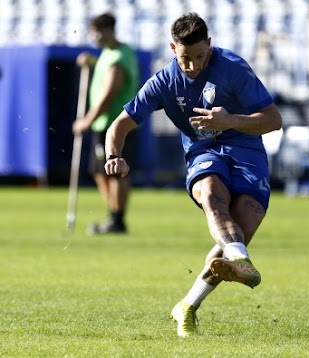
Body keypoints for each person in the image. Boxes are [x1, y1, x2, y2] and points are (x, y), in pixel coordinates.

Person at [103, 13, 282, 338]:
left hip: (247, 156)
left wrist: (230, 120)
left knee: (235, 236)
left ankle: (188, 304)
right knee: (213, 197)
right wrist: (113, 156)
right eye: (185, 58)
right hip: (204, 155)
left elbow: (273, 120)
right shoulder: (164, 82)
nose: (193, 66)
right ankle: (242, 259)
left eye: (200, 56)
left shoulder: (233, 68)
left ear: (209, 46)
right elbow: (120, 125)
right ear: (173, 48)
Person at [72, 13, 139, 234]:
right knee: (99, 170)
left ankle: (117, 219)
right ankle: (113, 215)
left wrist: (86, 120)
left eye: (97, 31)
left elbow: (110, 92)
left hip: (114, 124)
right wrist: (91, 61)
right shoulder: (110, 54)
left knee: (115, 170)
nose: (95, 36)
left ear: (109, 29)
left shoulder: (118, 58)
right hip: (106, 124)